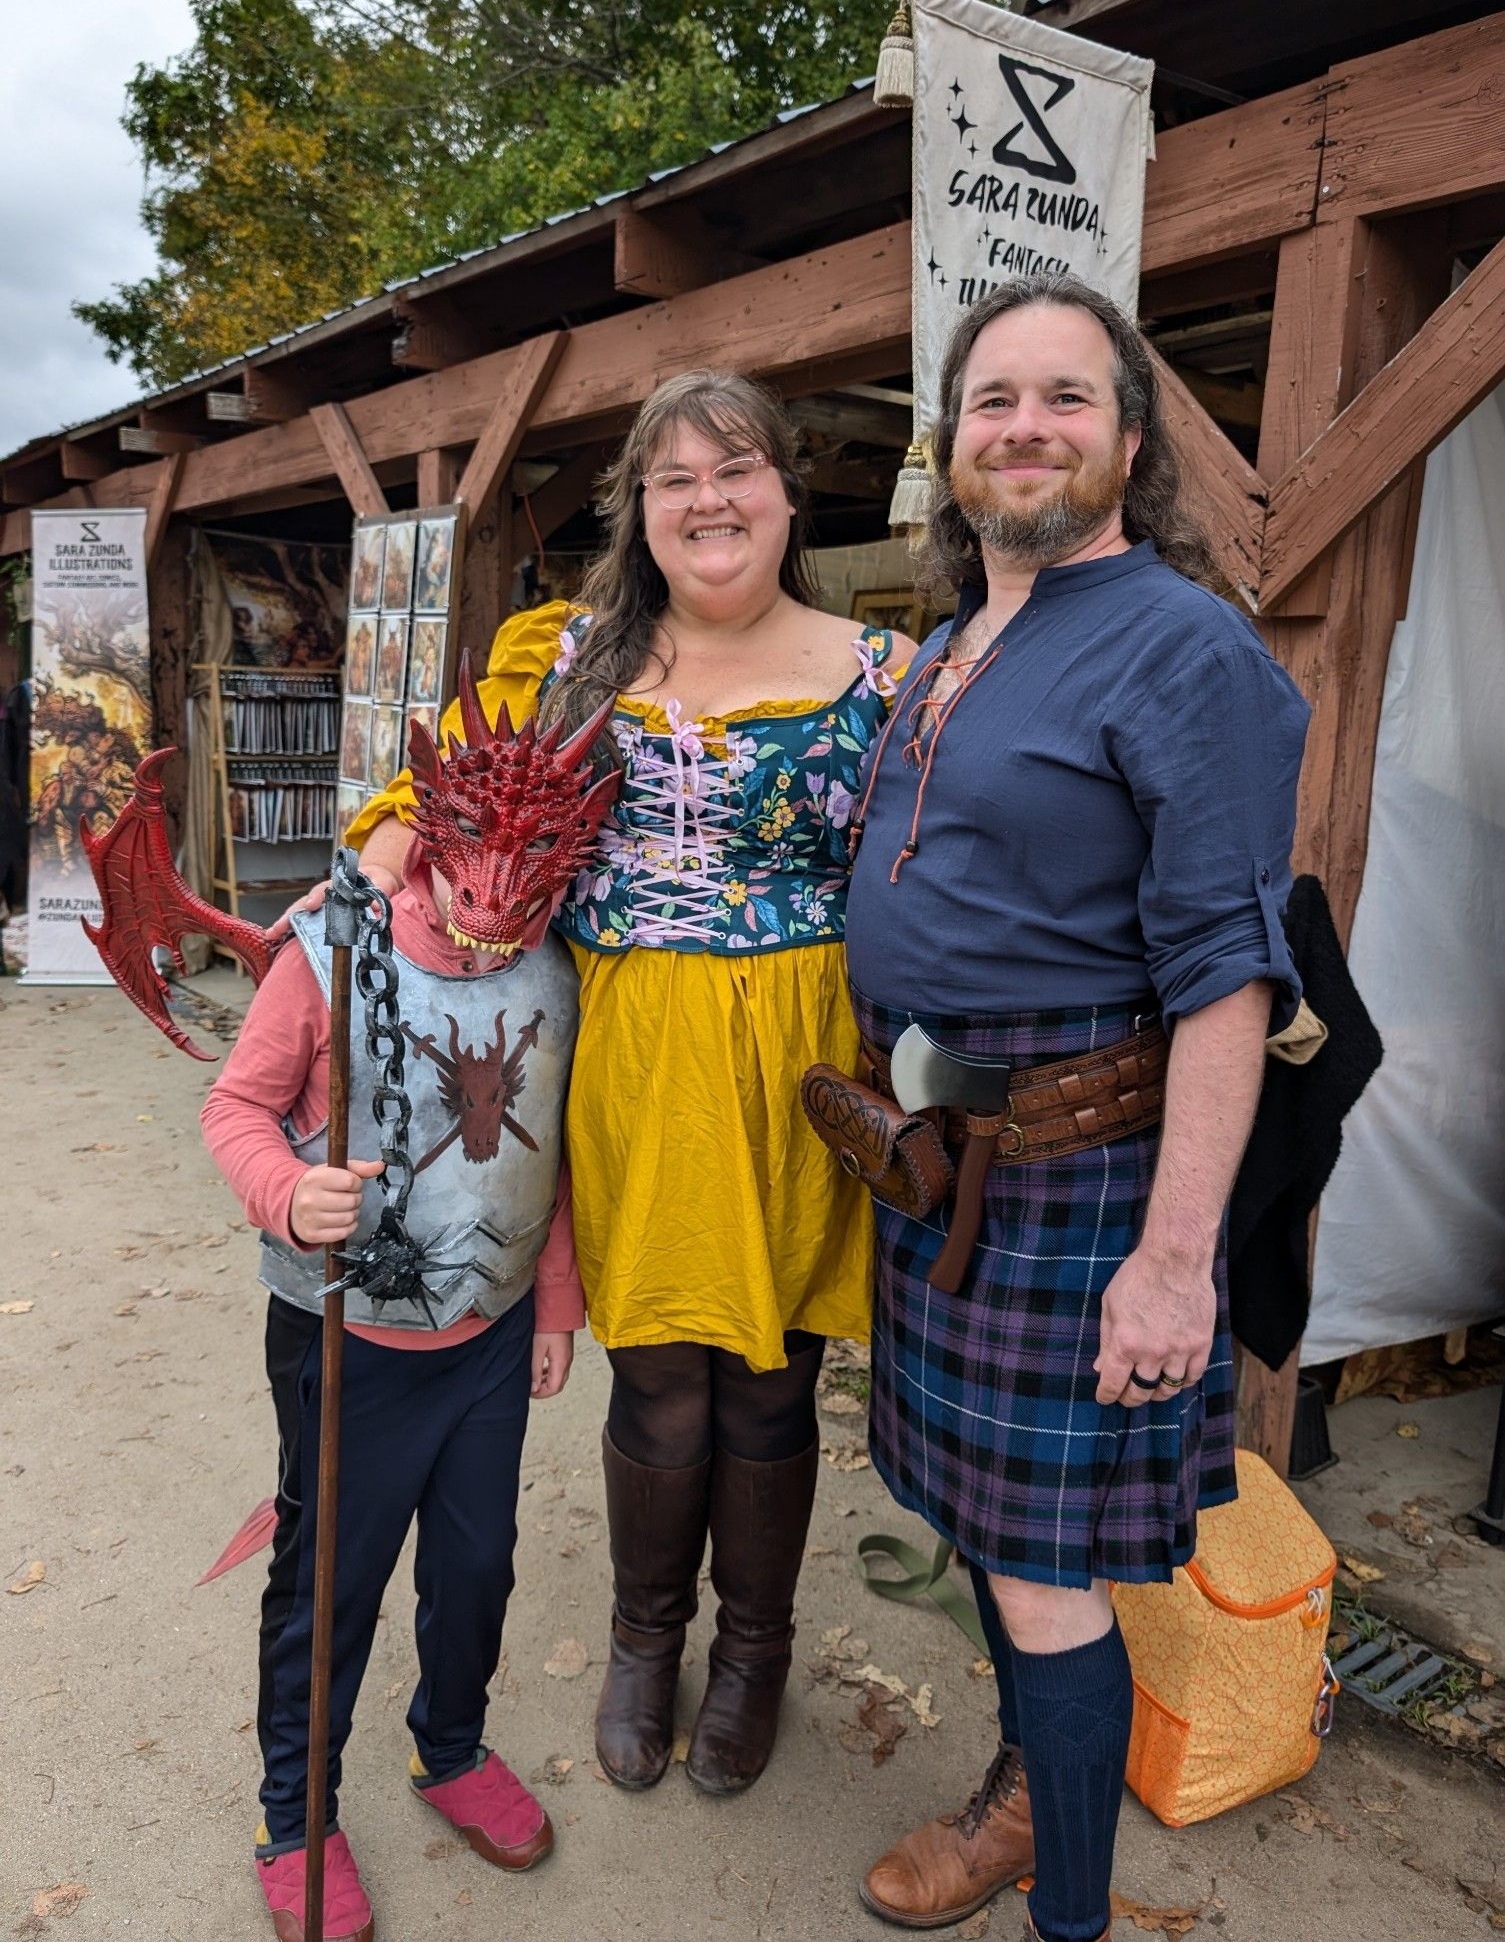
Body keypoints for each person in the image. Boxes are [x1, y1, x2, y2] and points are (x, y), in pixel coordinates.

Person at [344, 370, 916, 1796]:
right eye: (675, 479)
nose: (709, 500)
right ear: (640, 511)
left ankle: (755, 1653)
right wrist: (344, 950)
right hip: (628, 1053)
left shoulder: (891, 677)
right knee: (659, 1371)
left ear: (789, 491)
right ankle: (644, 1641)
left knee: (773, 1380)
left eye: (736, 469)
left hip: (800, 1068)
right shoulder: (567, 660)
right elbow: (421, 820)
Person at [844, 275, 1308, 1942]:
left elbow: (1226, 978)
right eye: (993, 400)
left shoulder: (1184, 646)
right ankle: (1033, 1795)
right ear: (951, 438)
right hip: (948, 1162)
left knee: (1045, 1577)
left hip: (1080, 1176)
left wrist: (1176, 1259)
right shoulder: (957, 634)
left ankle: (1070, 1908)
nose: (1024, 427)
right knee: (989, 1531)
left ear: (1129, 438)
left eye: (1064, 398)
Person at [203, 676, 619, 1942]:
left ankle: (448, 1744)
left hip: (487, 1339)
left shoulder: (558, 965)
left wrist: (552, 1305)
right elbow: (236, 1107)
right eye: (473, 879)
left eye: (527, 888)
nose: (495, 917)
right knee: (327, 1585)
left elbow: (538, 1155)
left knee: (476, 1562)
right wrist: (286, 1190)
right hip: (349, 1343)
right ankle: (296, 1809)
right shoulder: (334, 947)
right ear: (432, 838)